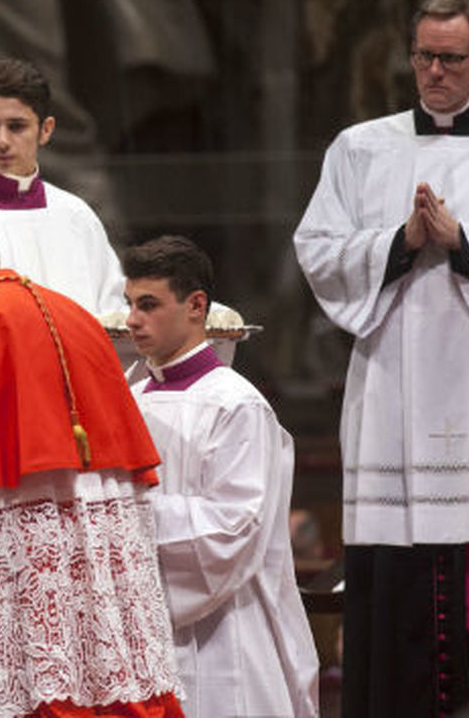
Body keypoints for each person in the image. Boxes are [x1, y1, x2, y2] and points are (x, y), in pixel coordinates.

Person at [294, 0, 469, 714]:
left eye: (450, 58)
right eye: (424, 56)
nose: (434, 72)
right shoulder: (361, 147)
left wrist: (465, 242)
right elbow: (318, 250)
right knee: (396, 581)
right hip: (394, 384)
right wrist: (402, 241)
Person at [0, 182, 182, 717]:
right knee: (111, 686)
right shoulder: (73, 313)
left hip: (21, 561)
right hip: (103, 557)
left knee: (34, 691)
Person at [123, 235, 319, 717]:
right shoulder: (129, 397)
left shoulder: (237, 404)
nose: (131, 320)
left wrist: (124, 514)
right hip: (143, 627)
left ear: (196, 306)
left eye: (148, 305)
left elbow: (232, 528)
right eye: (130, 304)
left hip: (225, 628)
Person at [0, 58, 124, 315]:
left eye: (16, 126)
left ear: (46, 130)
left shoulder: (76, 215)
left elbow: (111, 309)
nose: (2, 140)